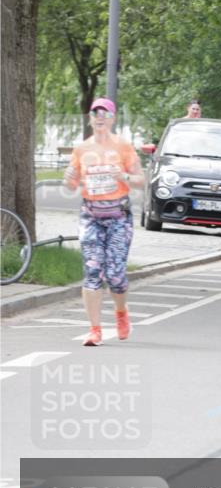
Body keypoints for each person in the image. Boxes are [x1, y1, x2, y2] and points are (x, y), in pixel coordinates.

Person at [63, 98, 144, 346]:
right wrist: (68, 178)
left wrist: (124, 176)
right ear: (90, 118)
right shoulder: (81, 149)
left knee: (116, 275)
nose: (100, 117)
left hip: (119, 216)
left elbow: (141, 180)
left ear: (112, 119)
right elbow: (71, 185)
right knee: (92, 272)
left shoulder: (123, 146)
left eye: (105, 113)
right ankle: (94, 330)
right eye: (95, 113)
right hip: (91, 217)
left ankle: (121, 313)